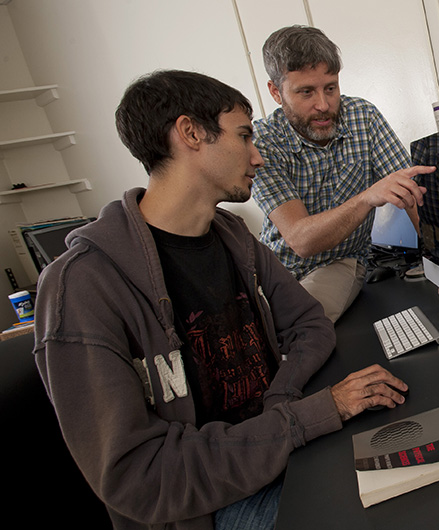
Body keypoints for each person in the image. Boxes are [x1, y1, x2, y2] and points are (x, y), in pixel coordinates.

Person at [33, 69, 409, 530]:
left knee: (408, 464)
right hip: (205, 510)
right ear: (190, 133)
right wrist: (303, 418)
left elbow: (309, 324)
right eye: (245, 137)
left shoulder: (233, 235)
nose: (258, 157)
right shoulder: (82, 286)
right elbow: (144, 477)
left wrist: (284, 405)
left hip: (275, 450)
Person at [252, 25, 435, 323]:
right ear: (276, 92)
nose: (323, 105)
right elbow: (300, 240)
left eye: (330, 88)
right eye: (306, 92)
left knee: (300, 325)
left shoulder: (364, 117)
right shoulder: (262, 140)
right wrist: (367, 198)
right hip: (274, 270)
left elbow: (412, 195)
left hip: (340, 262)